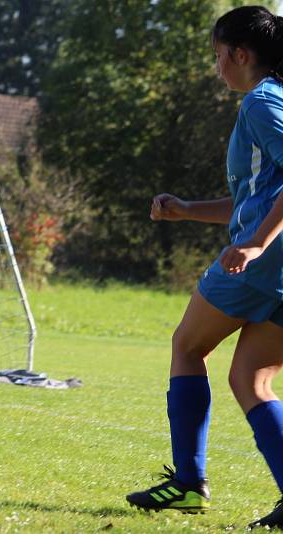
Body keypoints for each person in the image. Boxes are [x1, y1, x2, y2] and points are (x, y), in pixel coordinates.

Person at [125, 6, 283, 529]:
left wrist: (257, 242)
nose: (217, 67)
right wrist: (189, 209)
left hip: (264, 265)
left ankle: (189, 484)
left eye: (218, 55)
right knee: (251, 378)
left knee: (187, 346)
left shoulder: (262, 102)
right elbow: (256, 197)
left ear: (240, 54)